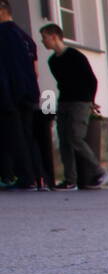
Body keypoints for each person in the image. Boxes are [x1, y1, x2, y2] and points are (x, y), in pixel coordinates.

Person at [40, 22, 107, 190]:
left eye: (44, 38)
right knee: (64, 141)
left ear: (54, 37)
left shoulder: (76, 56)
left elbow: (91, 79)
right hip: (64, 102)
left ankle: (99, 171)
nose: (43, 42)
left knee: (75, 137)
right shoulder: (52, 61)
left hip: (80, 103)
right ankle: (70, 180)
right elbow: (63, 83)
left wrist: (90, 100)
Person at [0, 0, 42, 190]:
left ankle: (24, 178)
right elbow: (35, 70)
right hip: (28, 94)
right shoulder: (26, 38)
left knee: (14, 136)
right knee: (27, 135)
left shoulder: (3, 34)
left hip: (11, 95)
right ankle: (35, 177)